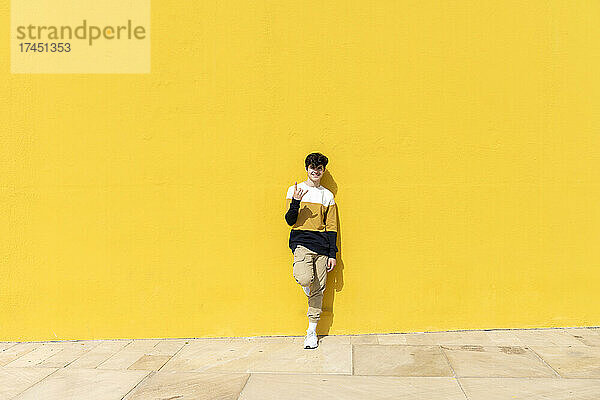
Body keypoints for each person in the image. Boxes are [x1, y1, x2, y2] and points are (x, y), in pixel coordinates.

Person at [284, 152, 338, 349]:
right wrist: (296, 202)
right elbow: (290, 221)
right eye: (312, 167)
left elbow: (331, 227)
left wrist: (333, 253)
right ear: (307, 169)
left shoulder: (327, 195)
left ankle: (311, 332)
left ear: (323, 171)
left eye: (319, 168)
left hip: (322, 247)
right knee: (305, 279)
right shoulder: (295, 190)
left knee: (319, 290)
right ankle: (306, 284)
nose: (316, 171)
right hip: (302, 244)